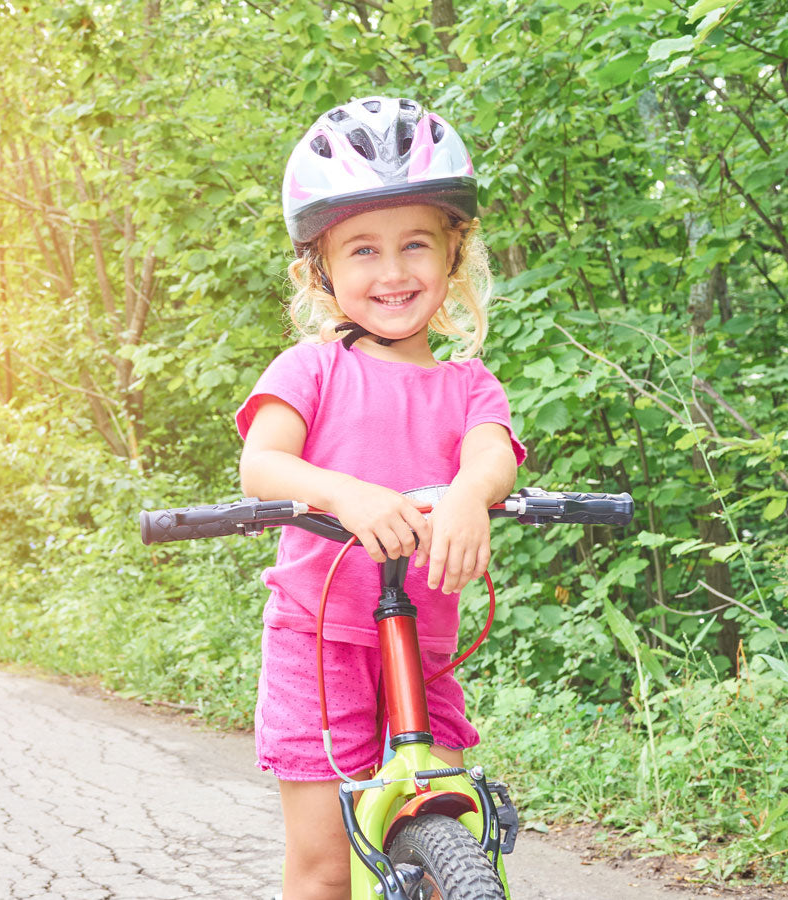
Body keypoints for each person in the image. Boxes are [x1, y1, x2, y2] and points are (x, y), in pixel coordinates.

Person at [235, 96, 527, 900]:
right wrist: (348, 496)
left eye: (415, 245)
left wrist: (471, 494)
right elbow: (263, 465)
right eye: (363, 250)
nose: (392, 272)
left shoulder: (468, 383)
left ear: (454, 253)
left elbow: (492, 453)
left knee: (448, 831)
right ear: (320, 268)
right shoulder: (312, 368)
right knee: (327, 863)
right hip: (319, 645)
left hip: (423, 651)